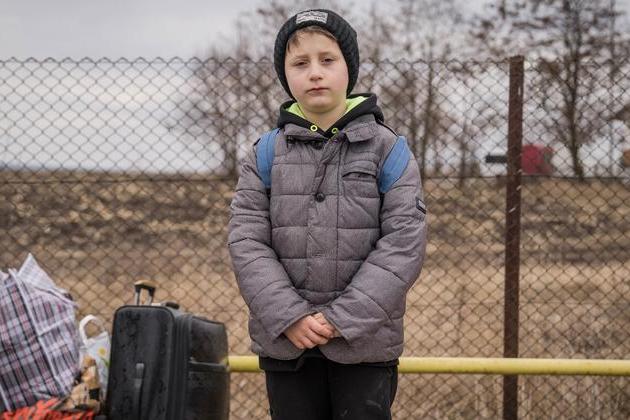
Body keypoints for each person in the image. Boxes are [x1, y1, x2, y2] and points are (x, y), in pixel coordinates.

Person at [228, 8, 427, 420]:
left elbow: (403, 244)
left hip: (364, 344)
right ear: (285, 75)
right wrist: (290, 316)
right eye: (300, 63)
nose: (315, 73)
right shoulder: (265, 153)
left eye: (327, 60)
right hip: (287, 344)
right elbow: (247, 242)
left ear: (348, 68)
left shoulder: (388, 150)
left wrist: (342, 319)